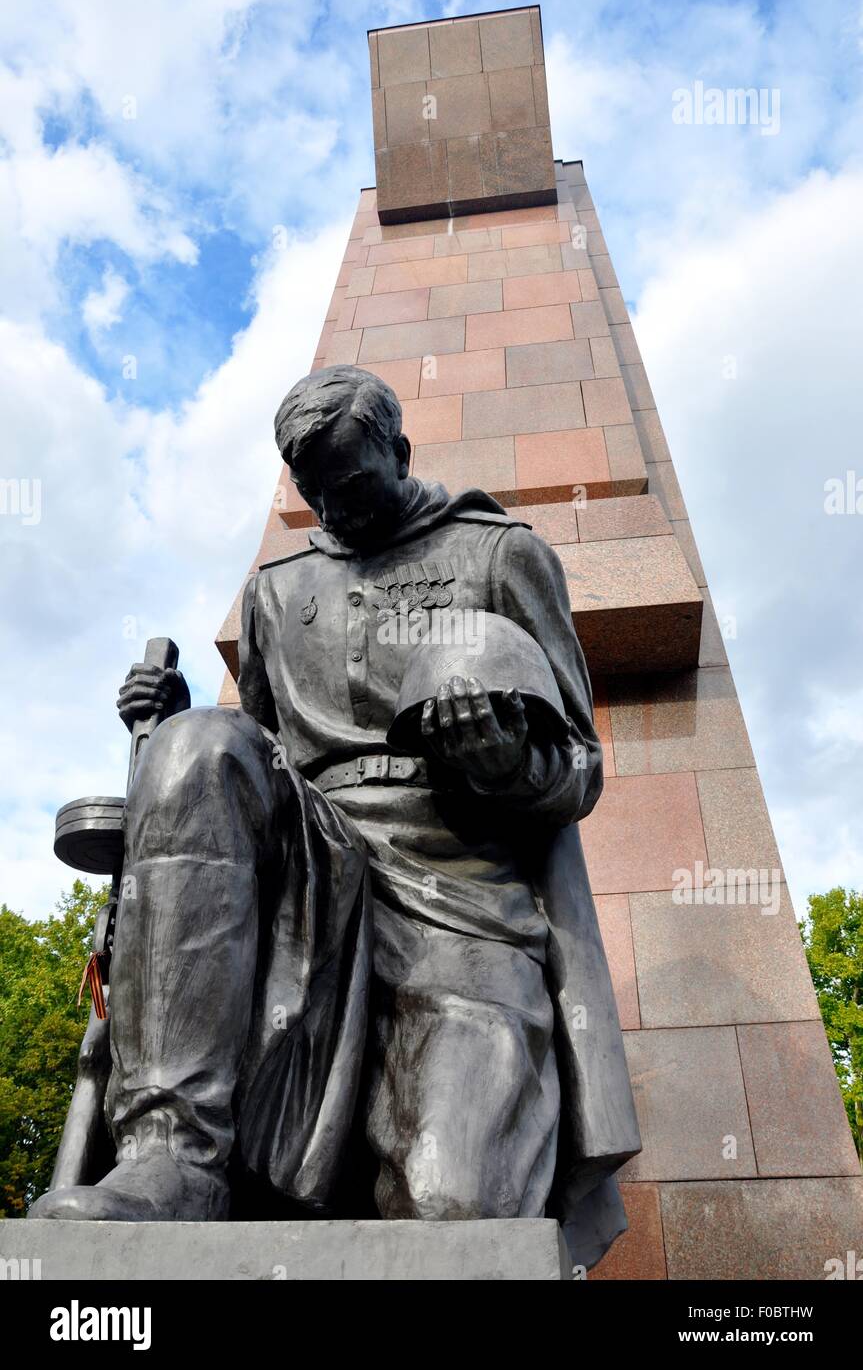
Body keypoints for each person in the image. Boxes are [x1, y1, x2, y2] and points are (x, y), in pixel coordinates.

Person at [30, 365, 639, 1268]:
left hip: (456, 872)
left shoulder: (499, 554)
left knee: (457, 1210)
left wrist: (504, 759)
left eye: (351, 486)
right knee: (201, 744)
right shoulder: (279, 591)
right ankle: (173, 1156)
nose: (333, 509)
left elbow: (578, 768)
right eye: (313, 493)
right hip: (312, 865)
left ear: (398, 451)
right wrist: (176, 739)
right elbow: (256, 762)